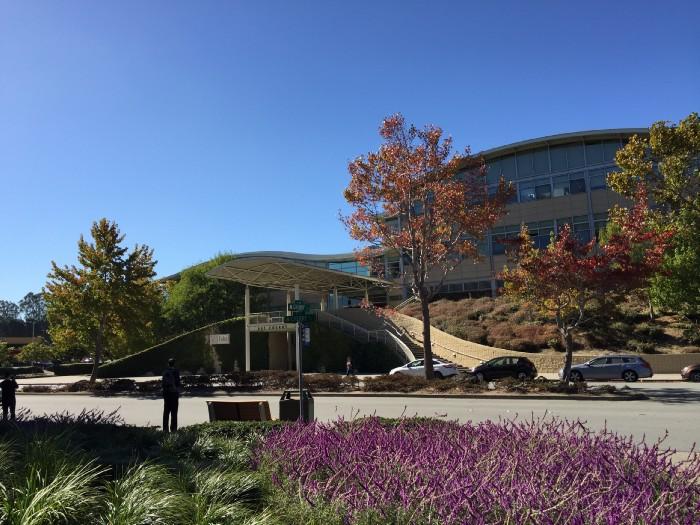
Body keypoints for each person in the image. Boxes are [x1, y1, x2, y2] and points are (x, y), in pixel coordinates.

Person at [162, 358, 181, 433]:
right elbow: (178, 383)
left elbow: (163, 384)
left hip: (166, 394)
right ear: (174, 364)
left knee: (166, 412)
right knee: (174, 412)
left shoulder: (165, 372)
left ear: (168, 364)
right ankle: (173, 429)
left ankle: (165, 429)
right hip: (174, 394)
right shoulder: (176, 372)